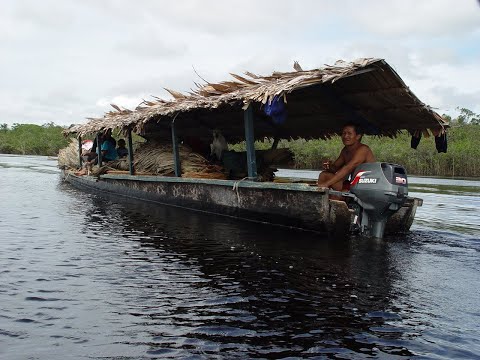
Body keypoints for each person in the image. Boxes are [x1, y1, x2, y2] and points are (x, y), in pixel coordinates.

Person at [317, 123, 375, 191]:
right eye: (344, 133)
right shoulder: (345, 150)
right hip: (353, 184)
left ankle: (338, 196)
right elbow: (334, 168)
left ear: (358, 136)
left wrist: (326, 184)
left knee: (342, 192)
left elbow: (348, 168)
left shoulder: (363, 149)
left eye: (349, 133)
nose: (345, 136)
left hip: (366, 186)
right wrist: (329, 166)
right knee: (324, 175)